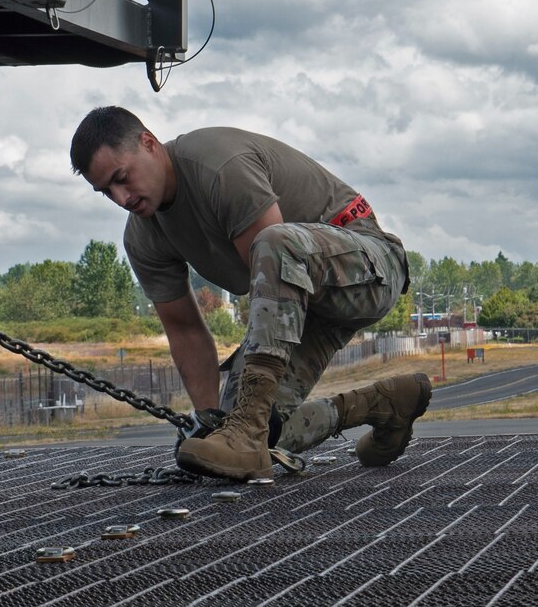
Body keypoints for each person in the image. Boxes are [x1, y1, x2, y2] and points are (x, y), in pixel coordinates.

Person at [71, 106, 431, 480]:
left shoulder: (218, 166)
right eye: (106, 192)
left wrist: (245, 426)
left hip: (368, 264)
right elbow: (186, 331)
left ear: (148, 144)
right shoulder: (142, 235)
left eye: (122, 178)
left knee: (273, 244)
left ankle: (247, 432)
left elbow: (273, 268)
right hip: (300, 303)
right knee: (246, 434)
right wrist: (212, 420)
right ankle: (385, 404)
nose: (121, 198)